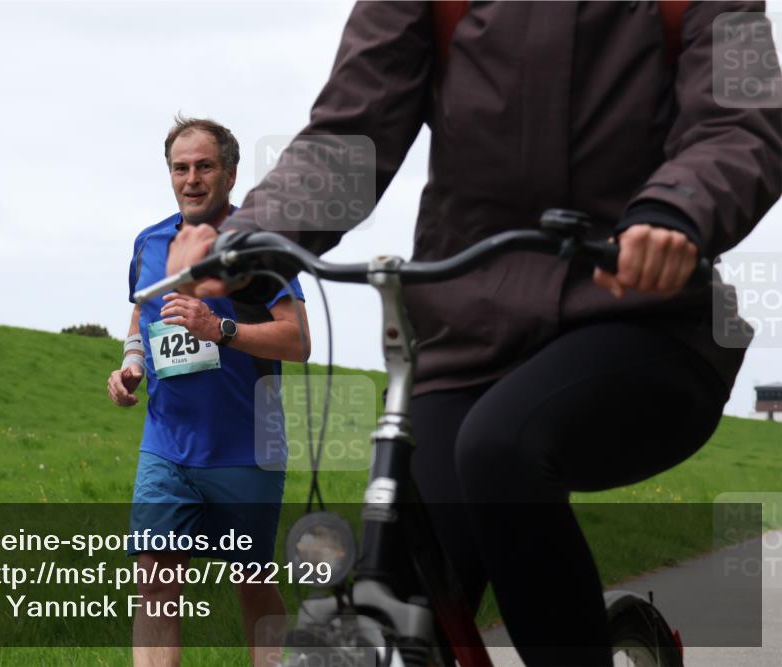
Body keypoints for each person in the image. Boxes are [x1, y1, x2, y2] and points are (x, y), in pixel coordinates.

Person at [162, 2, 782, 666]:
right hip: (467, 342)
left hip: (644, 322)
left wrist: (677, 210)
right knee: (400, 581)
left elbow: (741, 122)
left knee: (499, 447)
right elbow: (350, 134)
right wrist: (251, 241)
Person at [107, 116, 309, 667]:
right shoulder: (150, 242)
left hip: (246, 449)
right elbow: (143, 313)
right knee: (153, 583)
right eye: (180, 167)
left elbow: (297, 341)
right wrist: (130, 364)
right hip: (167, 445)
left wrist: (218, 327)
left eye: (204, 166)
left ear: (230, 173)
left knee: (252, 582)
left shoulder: (261, 247)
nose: (191, 178)